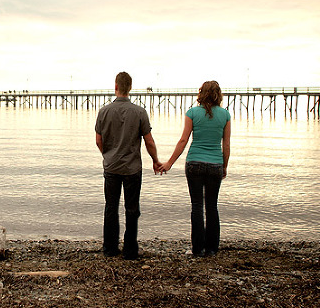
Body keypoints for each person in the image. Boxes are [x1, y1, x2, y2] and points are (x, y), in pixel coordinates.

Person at [159, 81, 231, 257]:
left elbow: (183, 140)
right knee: (212, 206)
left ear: (201, 93)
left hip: (194, 163)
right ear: (218, 95)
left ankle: (198, 249)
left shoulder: (192, 113)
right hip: (215, 164)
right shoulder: (225, 115)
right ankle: (212, 249)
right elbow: (226, 144)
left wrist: (169, 163)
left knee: (197, 206)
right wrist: (224, 165)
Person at [95, 72, 161, 259]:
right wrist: (155, 160)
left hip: (111, 167)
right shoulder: (139, 112)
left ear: (115, 86)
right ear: (130, 88)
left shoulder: (104, 112)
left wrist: (108, 155)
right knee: (132, 209)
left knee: (111, 207)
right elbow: (149, 141)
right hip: (132, 169)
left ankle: (110, 248)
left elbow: (98, 140)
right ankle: (130, 250)